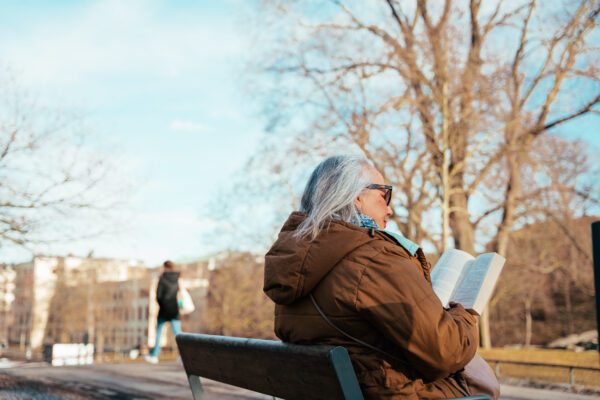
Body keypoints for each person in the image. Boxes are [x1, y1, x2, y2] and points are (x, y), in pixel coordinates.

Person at [264, 155, 497, 399]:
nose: (389, 208)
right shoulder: (375, 258)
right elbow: (445, 354)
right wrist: (464, 314)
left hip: (329, 392)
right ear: (356, 197)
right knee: (482, 382)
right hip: (390, 395)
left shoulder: (293, 264)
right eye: (383, 194)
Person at [144, 260, 181, 364]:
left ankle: (155, 355)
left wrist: (162, 304)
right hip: (174, 308)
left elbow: (158, 296)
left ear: (164, 267)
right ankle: (183, 355)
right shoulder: (177, 278)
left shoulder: (163, 278)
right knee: (178, 334)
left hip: (164, 309)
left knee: (159, 333)